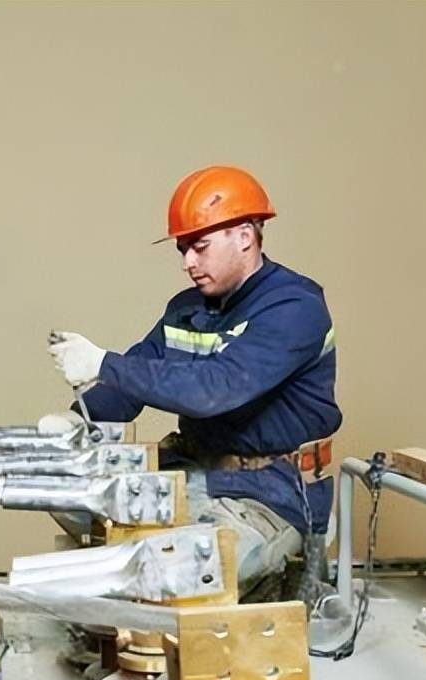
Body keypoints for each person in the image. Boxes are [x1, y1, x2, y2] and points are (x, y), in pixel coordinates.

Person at [45, 165, 340, 600]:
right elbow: (137, 373)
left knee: (179, 573)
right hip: (193, 470)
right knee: (63, 492)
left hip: (268, 493)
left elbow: (214, 389)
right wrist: (76, 424)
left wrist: (102, 363)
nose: (188, 263)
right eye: (183, 250)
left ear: (245, 236)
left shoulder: (294, 307)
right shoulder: (186, 308)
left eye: (200, 247)